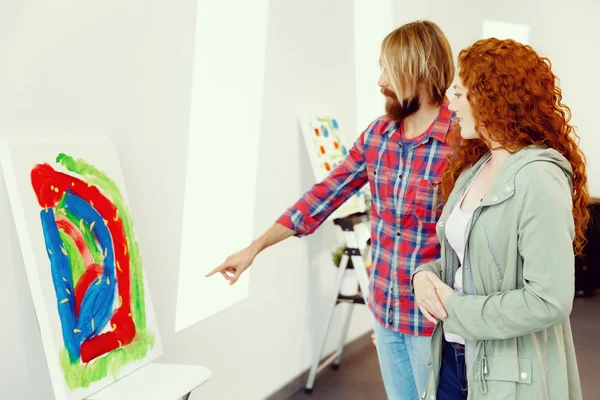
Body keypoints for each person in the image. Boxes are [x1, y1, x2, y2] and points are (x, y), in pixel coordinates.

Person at [207, 20, 455, 399]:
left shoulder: (461, 142)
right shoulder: (379, 136)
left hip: (436, 323)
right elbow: (322, 197)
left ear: (414, 71)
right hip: (388, 314)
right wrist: (254, 248)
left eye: (386, 69)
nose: (380, 81)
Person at [412, 37, 589, 399]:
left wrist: (454, 308)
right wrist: (424, 278)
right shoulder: (474, 170)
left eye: (460, 94)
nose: (450, 104)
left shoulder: (538, 178)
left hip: (506, 375)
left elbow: (549, 300)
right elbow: (470, 263)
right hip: (452, 359)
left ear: (491, 96)